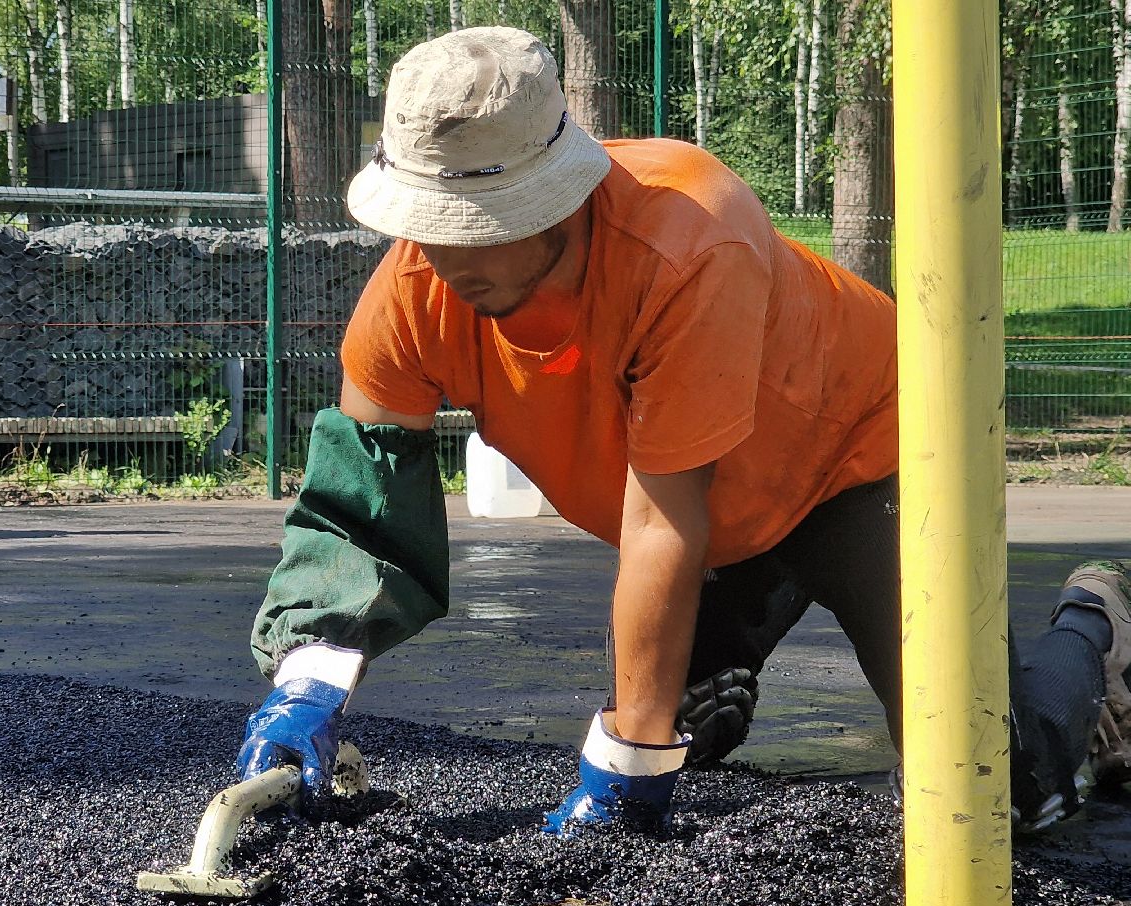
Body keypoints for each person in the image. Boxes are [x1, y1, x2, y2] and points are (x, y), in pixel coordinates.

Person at [235, 26, 1131, 834]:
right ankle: (730, 663)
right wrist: (305, 689)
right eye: (425, 230)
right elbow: (362, 518)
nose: (442, 258)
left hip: (868, 465)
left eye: (476, 229)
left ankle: (1095, 620)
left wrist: (625, 766)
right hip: (723, 522)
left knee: (994, 797)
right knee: (676, 725)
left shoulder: (692, 239)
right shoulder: (413, 295)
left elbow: (661, 523)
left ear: (559, 200)